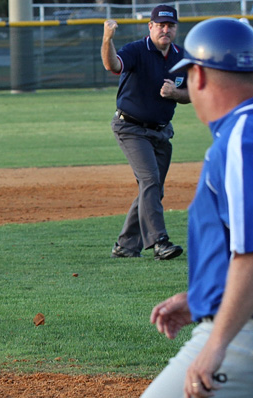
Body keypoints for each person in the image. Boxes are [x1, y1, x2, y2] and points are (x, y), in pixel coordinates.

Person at [48, 18, 253, 398]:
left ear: (199, 76)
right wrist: (202, 296)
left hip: (250, 344)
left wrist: (216, 341)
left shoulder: (242, 135)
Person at [102, 5, 190, 260]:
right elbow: (112, 65)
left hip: (162, 132)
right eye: (160, 25)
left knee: (153, 188)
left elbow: (193, 93)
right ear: (150, 26)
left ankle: (126, 246)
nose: (165, 29)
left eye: (170, 25)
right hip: (130, 127)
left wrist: (176, 94)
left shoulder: (181, 58)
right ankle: (160, 242)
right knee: (150, 181)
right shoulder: (136, 50)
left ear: (175, 28)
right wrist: (108, 39)